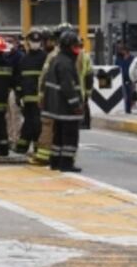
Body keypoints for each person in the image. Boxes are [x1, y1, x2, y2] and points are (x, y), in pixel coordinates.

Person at [43, 31, 85, 172]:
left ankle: (55, 162)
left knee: (58, 136)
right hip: (66, 108)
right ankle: (66, 163)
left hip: (57, 107)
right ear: (67, 47)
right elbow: (68, 87)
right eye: (75, 47)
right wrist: (76, 104)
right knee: (70, 136)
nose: (77, 51)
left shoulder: (57, 59)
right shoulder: (65, 63)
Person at [31, 26, 65, 166]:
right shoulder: (80, 54)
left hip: (53, 98)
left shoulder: (53, 56)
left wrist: (41, 96)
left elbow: (44, 78)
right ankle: (64, 157)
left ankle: (44, 156)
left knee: (49, 126)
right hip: (71, 98)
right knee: (65, 129)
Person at [15, 30, 48, 155]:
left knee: (36, 123)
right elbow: (19, 78)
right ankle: (23, 146)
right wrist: (19, 95)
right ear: (28, 42)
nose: (35, 44)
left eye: (37, 41)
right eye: (33, 41)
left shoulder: (45, 57)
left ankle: (33, 147)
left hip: (40, 98)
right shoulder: (24, 59)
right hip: (27, 98)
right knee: (29, 121)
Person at [115, 43, 136, 114]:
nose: (120, 52)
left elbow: (135, 69)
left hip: (130, 79)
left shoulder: (132, 59)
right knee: (123, 95)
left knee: (129, 95)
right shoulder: (118, 59)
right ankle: (124, 109)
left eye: (122, 50)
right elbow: (116, 68)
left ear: (126, 51)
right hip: (120, 80)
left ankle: (128, 110)